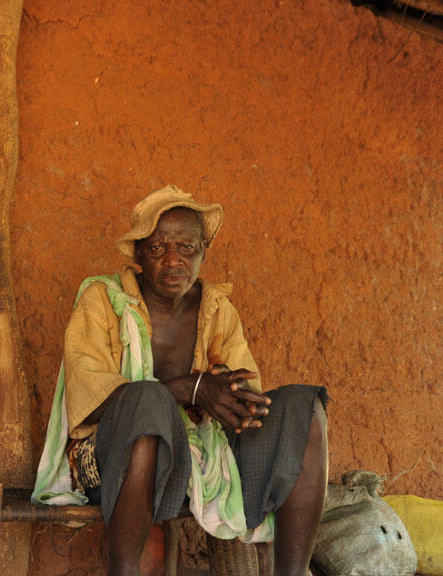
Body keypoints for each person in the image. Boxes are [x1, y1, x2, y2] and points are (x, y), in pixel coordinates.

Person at [32, 185, 329, 576]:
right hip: (108, 462)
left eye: (186, 248)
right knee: (147, 401)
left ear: (203, 251)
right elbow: (89, 398)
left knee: (302, 408)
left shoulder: (217, 308)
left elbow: (245, 395)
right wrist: (190, 388)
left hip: (201, 457)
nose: (173, 261)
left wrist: (231, 395)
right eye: (157, 249)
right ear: (138, 254)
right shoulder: (103, 300)